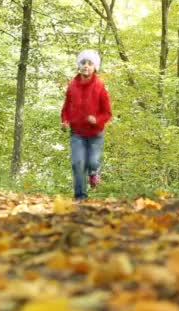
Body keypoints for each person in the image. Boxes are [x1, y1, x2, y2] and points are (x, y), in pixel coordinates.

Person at [61, 49, 112, 200]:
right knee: (78, 163)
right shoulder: (72, 86)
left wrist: (96, 120)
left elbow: (107, 112)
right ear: (79, 65)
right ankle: (80, 196)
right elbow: (66, 107)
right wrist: (64, 120)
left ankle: (94, 172)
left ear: (94, 67)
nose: (86, 66)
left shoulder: (99, 86)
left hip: (95, 133)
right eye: (83, 63)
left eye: (90, 63)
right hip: (77, 132)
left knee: (93, 161)